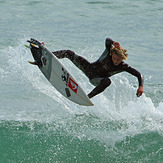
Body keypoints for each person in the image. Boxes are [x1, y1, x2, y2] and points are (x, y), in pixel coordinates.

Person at [51, 38, 144, 98]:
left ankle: (88, 97)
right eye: (114, 58)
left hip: (96, 79)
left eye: (118, 60)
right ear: (112, 55)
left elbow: (138, 74)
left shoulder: (123, 66)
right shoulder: (108, 53)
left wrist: (140, 86)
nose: (115, 61)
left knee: (107, 81)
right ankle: (49, 55)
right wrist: (113, 43)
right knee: (69, 53)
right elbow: (107, 40)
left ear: (122, 59)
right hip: (89, 68)